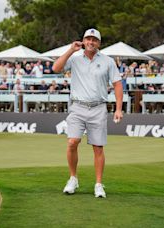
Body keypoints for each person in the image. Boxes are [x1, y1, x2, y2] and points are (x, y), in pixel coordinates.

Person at [52, 28, 123, 198]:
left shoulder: (107, 61)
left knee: (98, 147)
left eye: (94, 40)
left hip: (98, 107)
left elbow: (117, 84)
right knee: (72, 142)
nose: (91, 42)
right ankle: (73, 179)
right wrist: (70, 49)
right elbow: (56, 68)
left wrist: (119, 109)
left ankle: (98, 184)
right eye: (88, 39)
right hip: (77, 106)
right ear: (83, 41)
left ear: (99, 43)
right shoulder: (75, 59)